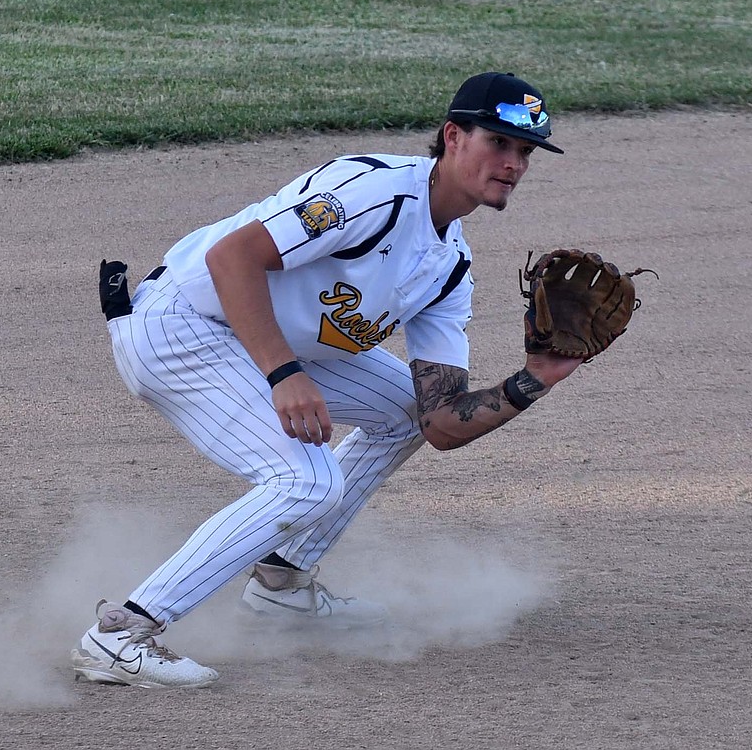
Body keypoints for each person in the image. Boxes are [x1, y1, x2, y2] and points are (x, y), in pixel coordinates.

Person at [72, 71, 583, 688]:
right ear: (452, 136)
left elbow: (439, 421)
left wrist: (535, 379)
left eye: (524, 151)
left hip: (262, 343)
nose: (513, 163)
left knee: (401, 413)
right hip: (179, 326)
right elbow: (231, 258)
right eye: (498, 142)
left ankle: (282, 588)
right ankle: (120, 634)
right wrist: (282, 373)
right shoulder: (372, 192)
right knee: (307, 481)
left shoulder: (449, 267)